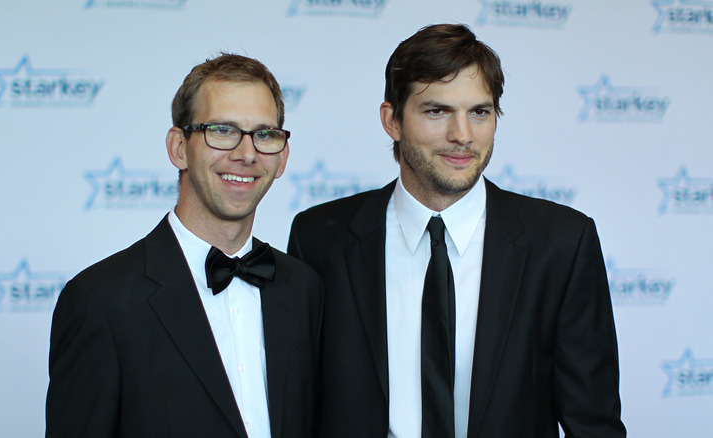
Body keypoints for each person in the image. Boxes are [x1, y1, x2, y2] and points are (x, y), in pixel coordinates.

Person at [288, 24, 626, 437]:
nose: (462, 136)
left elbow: (593, 424)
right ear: (392, 120)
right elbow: (298, 407)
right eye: (437, 111)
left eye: (479, 112)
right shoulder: (321, 238)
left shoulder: (561, 242)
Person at [46, 53, 323, 438]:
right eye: (222, 131)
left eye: (264, 135)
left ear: (282, 157)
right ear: (178, 148)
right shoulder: (100, 301)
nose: (246, 154)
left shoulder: (304, 287)